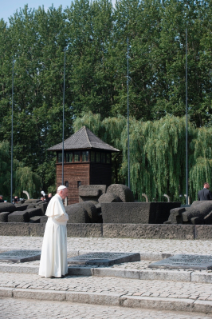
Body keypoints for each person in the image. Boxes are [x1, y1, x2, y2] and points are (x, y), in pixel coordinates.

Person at [39, 185, 69, 278]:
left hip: (57, 227)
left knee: (55, 248)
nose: (66, 195)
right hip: (55, 228)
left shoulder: (57, 200)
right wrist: (67, 217)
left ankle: (56, 271)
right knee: (55, 248)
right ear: (61, 192)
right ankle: (55, 271)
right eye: (66, 193)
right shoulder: (56, 200)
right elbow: (58, 216)